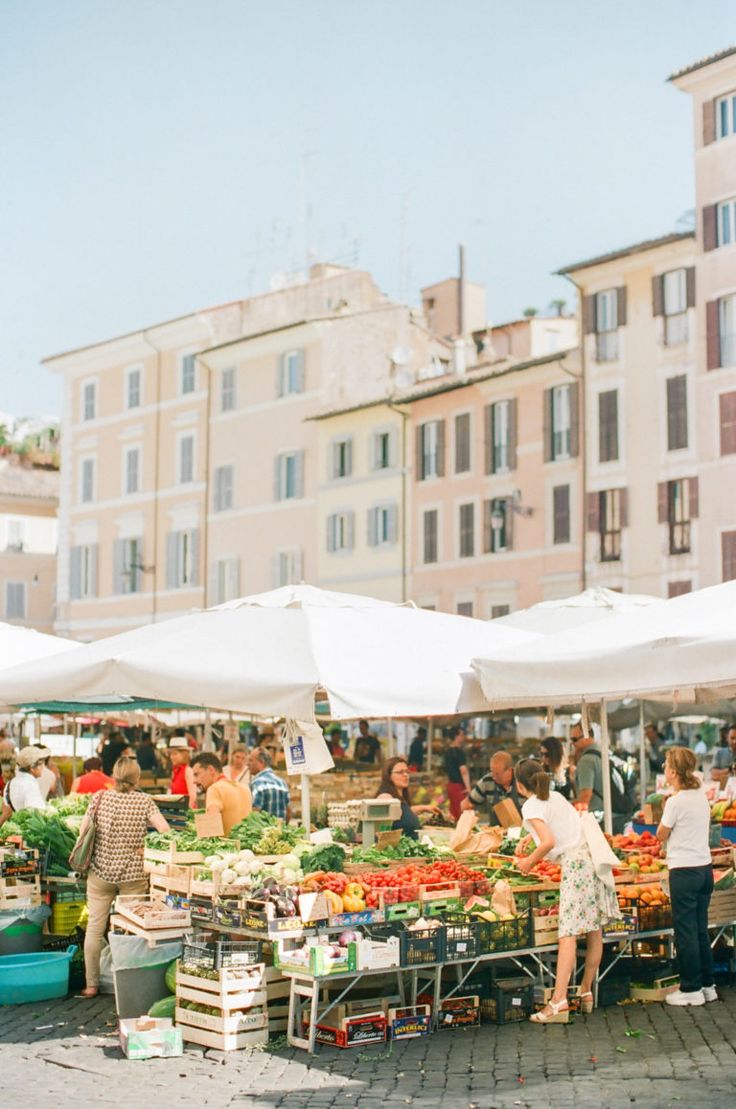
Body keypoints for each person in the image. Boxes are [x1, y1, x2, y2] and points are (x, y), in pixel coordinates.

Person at [515, 758, 619, 1023]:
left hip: (575, 865)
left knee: (568, 934)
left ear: (518, 784)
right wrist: (530, 837)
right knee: (594, 928)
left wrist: (529, 861)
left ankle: (558, 1000)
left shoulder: (530, 806)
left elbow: (548, 841)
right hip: (591, 859)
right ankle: (585, 992)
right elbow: (559, 826)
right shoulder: (556, 796)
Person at [79, 757, 169, 997]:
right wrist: (144, 848)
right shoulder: (144, 801)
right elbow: (165, 831)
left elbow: (83, 830)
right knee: (131, 928)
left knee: (95, 929)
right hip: (133, 874)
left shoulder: (99, 797)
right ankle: (127, 983)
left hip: (100, 872)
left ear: (114, 775)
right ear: (137, 778)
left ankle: (91, 984)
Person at [656, 746, 716, 1006]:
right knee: (700, 929)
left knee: (685, 931)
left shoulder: (675, 801)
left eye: (666, 765)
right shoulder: (700, 796)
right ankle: (707, 985)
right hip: (705, 869)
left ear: (673, 771)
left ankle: (690, 988)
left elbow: (661, 834)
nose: (664, 770)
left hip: (684, 871)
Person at [571, 723, 633, 835]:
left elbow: (586, 795)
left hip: (600, 820)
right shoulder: (605, 752)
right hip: (618, 814)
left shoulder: (586, 761)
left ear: (586, 737)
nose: (572, 743)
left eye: (574, 739)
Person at [376, 757, 441, 841]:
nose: (405, 775)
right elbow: (379, 831)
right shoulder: (385, 798)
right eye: (400, 772)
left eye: (407, 772)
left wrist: (424, 808)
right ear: (388, 776)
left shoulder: (400, 798)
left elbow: (403, 815)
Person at [191, 752, 252, 835]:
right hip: (246, 847)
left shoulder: (214, 788)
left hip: (229, 846)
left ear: (210, 770)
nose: (194, 781)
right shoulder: (244, 788)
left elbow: (210, 830)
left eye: (196, 774)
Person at [461, 750, 522, 825]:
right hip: (495, 833)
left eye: (497, 774)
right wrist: (468, 815)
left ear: (509, 770)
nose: (493, 777)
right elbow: (466, 803)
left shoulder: (522, 781)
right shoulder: (487, 781)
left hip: (522, 833)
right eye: (492, 771)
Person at [0, 746, 48, 825]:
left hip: (15, 832)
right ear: (32, 768)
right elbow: (38, 815)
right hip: (27, 835)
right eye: (42, 764)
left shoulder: (10, 783)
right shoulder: (30, 785)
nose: (44, 767)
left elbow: (7, 811)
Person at [248, 748, 291, 819]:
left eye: (251, 760)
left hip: (261, 829)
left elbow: (254, 813)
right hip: (279, 828)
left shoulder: (257, 783)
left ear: (261, 763)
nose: (247, 764)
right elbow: (288, 812)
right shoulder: (282, 783)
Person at [444, 725, 471, 820]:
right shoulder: (459, 752)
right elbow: (463, 771)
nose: (463, 737)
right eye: (461, 735)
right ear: (456, 736)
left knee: (453, 813)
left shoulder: (447, 752)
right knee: (463, 814)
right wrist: (468, 787)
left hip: (450, 785)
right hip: (459, 787)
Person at [540, 737, 575, 801]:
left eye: (547, 755)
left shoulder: (570, 771)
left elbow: (576, 795)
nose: (543, 758)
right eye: (541, 754)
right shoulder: (541, 770)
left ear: (555, 754)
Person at [168, 735, 197, 808]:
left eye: (175, 754)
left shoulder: (188, 770)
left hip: (186, 812)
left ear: (184, 754)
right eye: (171, 754)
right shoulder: (175, 771)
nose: (171, 757)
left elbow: (193, 796)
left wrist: (186, 813)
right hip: (177, 810)